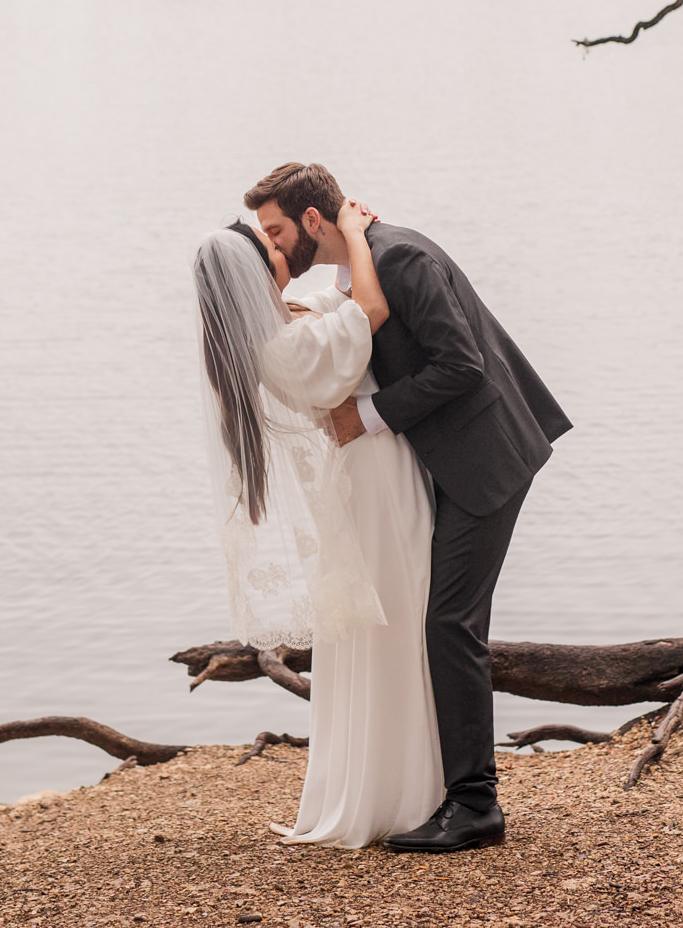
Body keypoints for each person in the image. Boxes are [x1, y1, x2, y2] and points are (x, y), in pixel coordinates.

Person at [244, 162, 571, 855]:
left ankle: (475, 804)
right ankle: (448, 789)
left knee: (449, 620)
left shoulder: (402, 257)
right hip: (447, 466)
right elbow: (361, 327)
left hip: (488, 461)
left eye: (274, 229)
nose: (268, 245)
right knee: (445, 618)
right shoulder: (360, 270)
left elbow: (463, 365)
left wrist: (367, 415)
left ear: (310, 221)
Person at [193, 202, 441, 847]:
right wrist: (355, 233)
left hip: (364, 478)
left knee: (385, 625)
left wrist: (342, 253)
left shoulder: (285, 328)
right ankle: (404, 794)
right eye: (268, 244)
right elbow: (370, 312)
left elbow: (346, 303)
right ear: (254, 271)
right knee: (399, 620)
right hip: (375, 482)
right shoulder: (283, 346)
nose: (281, 250)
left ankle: (397, 783)